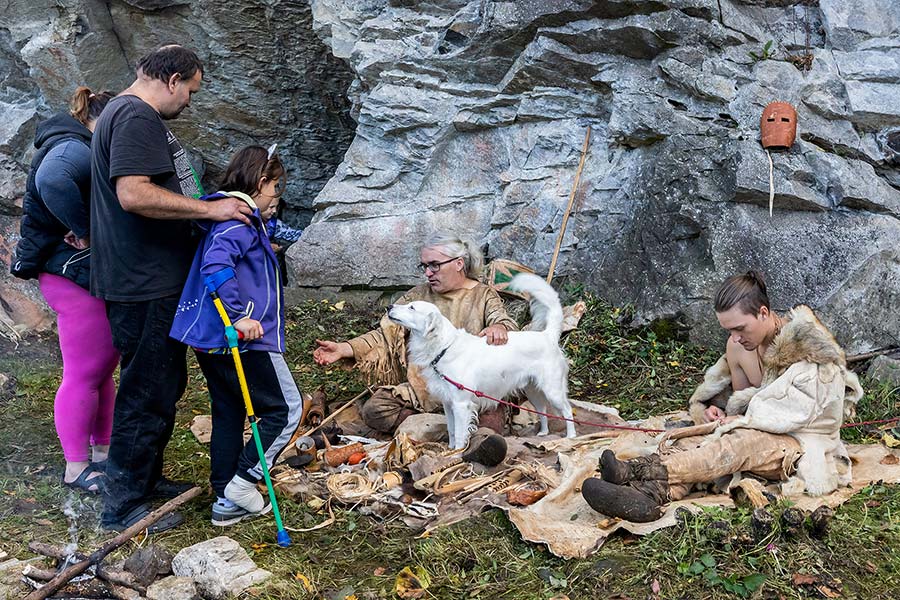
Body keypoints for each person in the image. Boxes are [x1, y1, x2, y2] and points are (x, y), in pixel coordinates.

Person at [90, 45, 254, 532]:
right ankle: (121, 506)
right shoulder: (136, 116)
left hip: (148, 277)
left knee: (163, 383)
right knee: (146, 389)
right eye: (191, 91)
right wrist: (211, 211)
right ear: (173, 79)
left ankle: (144, 480)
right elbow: (133, 193)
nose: (189, 102)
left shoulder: (124, 113)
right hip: (143, 281)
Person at [581, 271, 863, 522]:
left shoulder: (807, 349)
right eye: (729, 330)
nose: (735, 337)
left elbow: (811, 411)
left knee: (740, 444)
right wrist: (718, 414)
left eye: (740, 328)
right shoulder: (737, 347)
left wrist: (743, 421)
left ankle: (633, 472)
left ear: (763, 313)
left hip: (802, 441)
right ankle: (649, 496)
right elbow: (742, 403)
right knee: (693, 439)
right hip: (759, 430)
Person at [170, 145, 303, 526]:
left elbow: (255, 241)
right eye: (276, 188)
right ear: (261, 183)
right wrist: (239, 316)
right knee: (285, 410)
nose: (278, 197)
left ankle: (224, 495)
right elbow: (216, 265)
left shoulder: (234, 216)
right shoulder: (237, 223)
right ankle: (246, 481)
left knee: (228, 411)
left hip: (211, 342)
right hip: (246, 337)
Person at [11, 86, 118, 494]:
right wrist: (87, 233)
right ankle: (76, 468)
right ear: (104, 120)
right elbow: (52, 180)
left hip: (77, 274)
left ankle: (102, 455)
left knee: (102, 372)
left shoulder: (78, 143)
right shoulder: (74, 148)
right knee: (84, 374)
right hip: (70, 276)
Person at [313, 234, 517, 441]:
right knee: (375, 409)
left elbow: (501, 320)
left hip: (471, 388)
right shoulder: (416, 297)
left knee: (491, 421)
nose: (428, 273)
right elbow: (385, 335)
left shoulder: (483, 295)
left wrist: (499, 327)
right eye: (425, 266)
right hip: (424, 388)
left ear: (458, 264)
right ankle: (444, 428)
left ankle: (434, 430)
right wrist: (343, 349)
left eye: (434, 265)